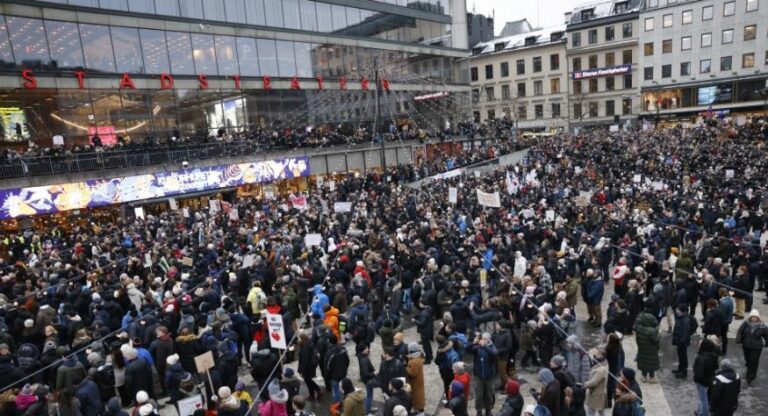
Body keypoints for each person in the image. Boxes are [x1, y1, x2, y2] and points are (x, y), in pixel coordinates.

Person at [736, 309, 768, 385]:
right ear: (750, 317)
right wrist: (739, 339)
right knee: (748, 360)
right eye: (752, 317)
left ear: (758, 318)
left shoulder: (763, 326)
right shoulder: (746, 323)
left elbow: (767, 336)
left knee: (754, 361)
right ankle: (749, 366)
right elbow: (740, 331)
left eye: (755, 317)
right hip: (746, 345)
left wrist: (767, 343)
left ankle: (750, 376)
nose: (754, 318)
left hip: (757, 347)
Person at [469, 332, 498, 416]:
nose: (482, 340)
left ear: (489, 340)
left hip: (489, 376)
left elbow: (494, 354)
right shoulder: (478, 347)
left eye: (484, 339)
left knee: (489, 394)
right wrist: (473, 343)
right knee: (479, 395)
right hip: (479, 376)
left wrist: (485, 347)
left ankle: (488, 410)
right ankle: (479, 411)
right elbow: (468, 350)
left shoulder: (492, 347)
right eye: (482, 339)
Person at [693, 336, 720, 416]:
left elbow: (699, 373)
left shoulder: (701, 358)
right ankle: (699, 411)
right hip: (710, 379)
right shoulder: (713, 356)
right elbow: (716, 367)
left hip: (702, 382)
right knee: (703, 397)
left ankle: (704, 414)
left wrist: (696, 379)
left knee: (703, 399)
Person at [633, 309, 660, 383]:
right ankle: (652, 377)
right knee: (651, 364)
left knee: (644, 363)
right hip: (651, 350)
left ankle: (644, 377)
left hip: (642, 349)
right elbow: (655, 340)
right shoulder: (651, 331)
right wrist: (658, 335)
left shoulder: (639, 328)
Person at [324, 334, 349, 403]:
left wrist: (327, 375)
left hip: (334, 375)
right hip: (343, 372)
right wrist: (345, 368)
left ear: (329, 341)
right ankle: (347, 401)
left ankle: (337, 403)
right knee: (345, 388)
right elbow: (347, 360)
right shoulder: (343, 349)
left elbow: (327, 366)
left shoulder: (329, 352)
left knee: (336, 390)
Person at [297, 331, 322, 401]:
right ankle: (314, 393)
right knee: (308, 380)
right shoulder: (307, 343)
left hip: (307, 367)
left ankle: (316, 392)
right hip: (309, 367)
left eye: (299, 338)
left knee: (308, 380)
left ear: (302, 338)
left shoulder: (306, 347)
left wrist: (302, 370)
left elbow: (304, 360)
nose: (299, 339)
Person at [584, 349, 608, 416]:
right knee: (600, 411)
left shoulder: (601, 369)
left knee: (591, 412)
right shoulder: (598, 362)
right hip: (598, 393)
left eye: (598, 353)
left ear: (602, 355)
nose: (595, 354)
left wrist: (585, 384)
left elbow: (594, 382)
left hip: (596, 394)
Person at [671, 305, 693, 379]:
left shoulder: (685, 320)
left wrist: (682, 341)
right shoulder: (680, 317)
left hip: (682, 342)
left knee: (683, 357)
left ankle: (683, 372)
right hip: (679, 340)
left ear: (681, 311)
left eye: (678, 309)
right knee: (680, 356)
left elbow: (685, 332)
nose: (676, 311)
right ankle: (680, 369)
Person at [405, 343, 425, 416]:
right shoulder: (417, 357)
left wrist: (406, 368)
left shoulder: (414, 361)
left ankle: (420, 411)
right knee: (417, 396)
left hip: (415, 382)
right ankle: (418, 409)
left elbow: (413, 373)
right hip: (418, 381)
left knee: (417, 397)